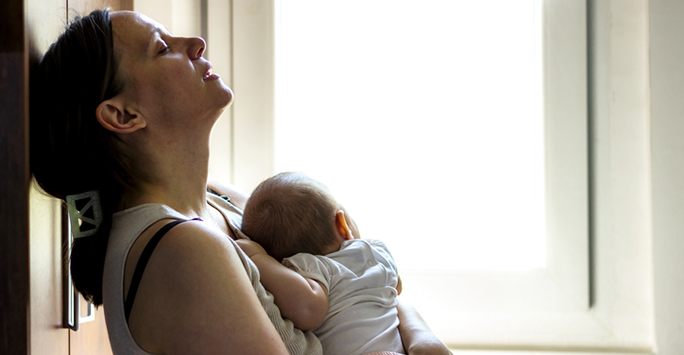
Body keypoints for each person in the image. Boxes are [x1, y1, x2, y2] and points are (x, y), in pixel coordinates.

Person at [29, 8, 451, 355]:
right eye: (163, 48)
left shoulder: (223, 203)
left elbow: (363, 278)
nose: (195, 44)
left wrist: (422, 337)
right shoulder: (181, 249)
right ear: (123, 116)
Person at [240, 172, 405, 355]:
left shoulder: (312, 268)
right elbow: (396, 286)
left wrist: (257, 257)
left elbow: (308, 310)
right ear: (343, 225)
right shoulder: (376, 250)